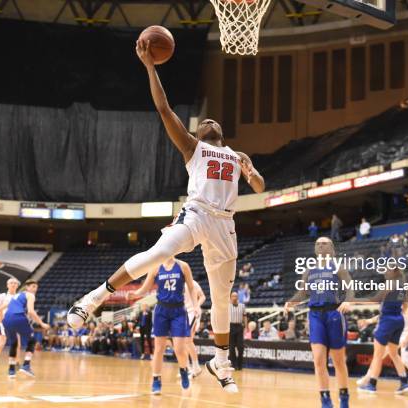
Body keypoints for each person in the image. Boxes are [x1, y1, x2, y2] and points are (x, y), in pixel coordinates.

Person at [67, 38, 265, 394]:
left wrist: (250, 173)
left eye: (212, 119)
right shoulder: (193, 147)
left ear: (220, 132)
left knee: (222, 298)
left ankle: (221, 361)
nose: (208, 120)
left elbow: (262, 187)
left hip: (226, 225)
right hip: (197, 215)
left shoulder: (237, 156)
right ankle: (94, 298)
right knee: (157, 255)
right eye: (203, 120)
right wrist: (150, 67)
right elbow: (163, 109)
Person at [285, 237, 353, 408]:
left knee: (338, 361)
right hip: (315, 316)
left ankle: (344, 399)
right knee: (318, 361)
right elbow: (302, 293)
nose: (320, 245)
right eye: (318, 243)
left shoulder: (338, 267)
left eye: (324, 243)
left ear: (331, 247)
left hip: (334, 314)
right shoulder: (308, 270)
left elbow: (350, 288)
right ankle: (325, 401)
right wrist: (291, 302)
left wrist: (348, 301)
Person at [126, 257, 199, 394]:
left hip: (178, 310)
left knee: (179, 349)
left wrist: (196, 306)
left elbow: (191, 288)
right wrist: (134, 295)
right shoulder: (155, 267)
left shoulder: (183, 266)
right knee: (159, 348)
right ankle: (156, 379)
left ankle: (184, 370)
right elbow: (145, 289)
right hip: (161, 310)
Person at [357, 268, 408, 395]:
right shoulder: (403, 287)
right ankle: (404, 383)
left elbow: (374, 299)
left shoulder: (389, 285)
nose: (385, 273)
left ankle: (371, 385)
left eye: (387, 271)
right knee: (394, 353)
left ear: (393, 273)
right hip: (398, 320)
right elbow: (405, 306)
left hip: (386, 322)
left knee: (377, 355)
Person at [358, 302, 408, 391]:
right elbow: (383, 316)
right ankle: (367, 379)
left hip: (405, 334)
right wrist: (369, 320)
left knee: (405, 360)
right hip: (395, 332)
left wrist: (407, 336)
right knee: (380, 356)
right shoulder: (396, 304)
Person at [0, 279, 49, 378]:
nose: (35, 289)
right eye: (33, 287)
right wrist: (42, 323)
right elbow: (31, 311)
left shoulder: (15, 296)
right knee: (32, 340)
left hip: (7, 320)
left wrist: (1, 320)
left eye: (36, 287)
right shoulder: (30, 295)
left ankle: (11, 370)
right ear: (27, 287)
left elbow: (0, 308)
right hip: (18, 317)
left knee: (13, 343)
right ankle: (26, 365)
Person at [0, 277, 20, 373]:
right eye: (11, 283)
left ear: (17, 285)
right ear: (7, 285)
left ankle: (16, 364)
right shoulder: (3, 296)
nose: (13, 284)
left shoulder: (19, 297)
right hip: (3, 322)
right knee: (1, 343)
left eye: (15, 283)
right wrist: (3, 316)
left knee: (16, 344)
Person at [184, 276, 205, 376]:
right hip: (181, 313)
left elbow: (203, 296)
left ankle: (196, 367)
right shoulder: (176, 282)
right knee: (182, 342)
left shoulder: (193, 283)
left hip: (192, 312)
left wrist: (196, 305)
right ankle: (186, 368)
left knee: (188, 340)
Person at [229, 291, 246, 370]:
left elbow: (245, 316)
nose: (234, 298)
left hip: (239, 327)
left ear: (238, 297)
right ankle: (233, 364)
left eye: (236, 296)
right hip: (231, 326)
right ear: (230, 297)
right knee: (231, 348)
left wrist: (245, 326)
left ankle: (240, 365)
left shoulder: (242, 306)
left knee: (240, 347)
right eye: (233, 296)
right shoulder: (228, 306)